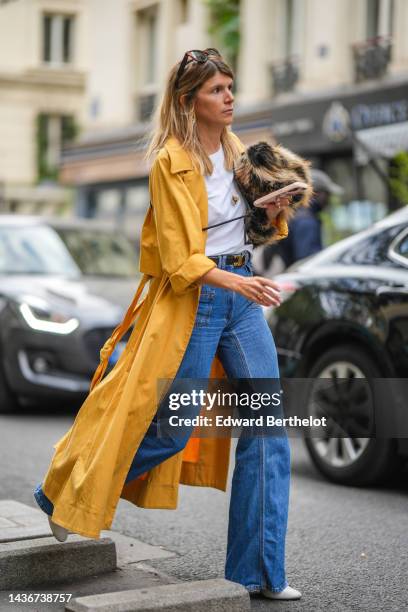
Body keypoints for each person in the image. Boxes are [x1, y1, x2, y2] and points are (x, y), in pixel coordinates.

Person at [33, 49, 301, 601]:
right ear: (189, 101)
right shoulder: (169, 163)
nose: (229, 98)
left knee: (268, 430)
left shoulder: (240, 154)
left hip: (240, 300)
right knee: (173, 431)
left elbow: (249, 232)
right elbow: (180, 259)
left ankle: (258, 572)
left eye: (231, 87)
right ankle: (70, 491)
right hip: (196, 302)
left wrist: (272, 212)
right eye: (217, 90)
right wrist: (238, 283)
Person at [277, 168, 344, 268]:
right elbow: (308, 262)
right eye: (327, 194)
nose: (329, 200)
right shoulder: (306, 222)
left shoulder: (294, 214)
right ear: (315, 193)